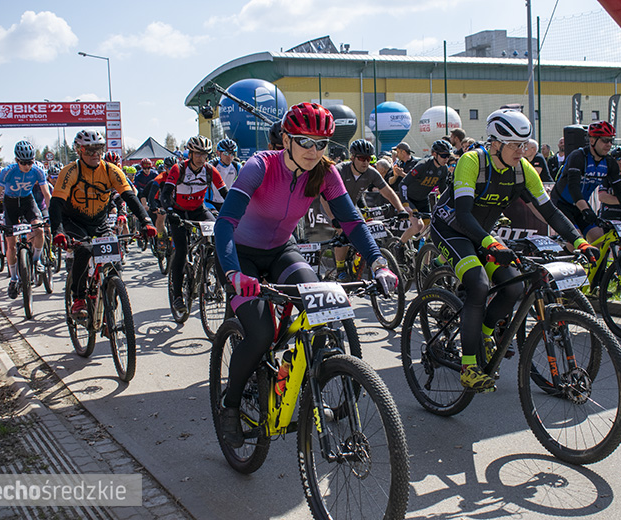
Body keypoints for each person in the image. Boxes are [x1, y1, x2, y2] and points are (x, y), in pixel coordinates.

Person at [214, 102, 398, 447]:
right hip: (241, 256)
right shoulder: (259, 166)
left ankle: (306, 382)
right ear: (286, 140)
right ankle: (231, 403)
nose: (314, 151)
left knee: (321, 313)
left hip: (282, 250)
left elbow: (352, 220)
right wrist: (234, 273)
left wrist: (377, 262)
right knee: (260, 332)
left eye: (321, 143)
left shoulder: (325, 173)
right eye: (304, 141)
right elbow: (225, 223)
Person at [431, 109, 598, 391]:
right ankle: (469, 366)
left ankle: (485, 332)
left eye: (524, 145)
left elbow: (551, 212)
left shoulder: (522, 169)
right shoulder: (472, 162)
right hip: (451, 229)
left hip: (482, 234)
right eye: (514, 145)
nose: (521, 151)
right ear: (495, 143)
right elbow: (462, 215)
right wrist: (491, 243)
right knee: (478, 284)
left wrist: (579, 240)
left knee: (512, 288)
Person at [50, 130, 156, 319]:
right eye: (89, 150)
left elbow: (130, 197)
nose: (94, 155)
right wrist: (57, 231)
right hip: (73, 220)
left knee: (114, 259)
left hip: (98, 221)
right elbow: (56, 203)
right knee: (84, 249)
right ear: (79, 150)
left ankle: (110, 302)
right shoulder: (71, 171)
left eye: (98, 150)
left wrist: (146, 221)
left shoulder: (110, 170)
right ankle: (79, 298)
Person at [321, 138, 409, 281]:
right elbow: (324, 198)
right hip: (331, 207)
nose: (365, 162)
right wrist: (333, 218)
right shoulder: (340, 171)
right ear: (352, 157)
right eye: (362, 158)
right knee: (343, 231)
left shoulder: (371, 173)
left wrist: (400, 209)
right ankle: (340, 268)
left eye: (369, 158)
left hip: (351, 206)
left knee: (362, 230)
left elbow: (387, 192)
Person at [160, 135, 229, 315]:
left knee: (217, 237)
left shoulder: (210, 170)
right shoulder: (178, 169)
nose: (201, 158)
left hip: (199, 210)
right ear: (190, 153)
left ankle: (209, 265)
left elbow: (225, 194)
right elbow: (165, 194)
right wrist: (169, 210)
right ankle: (177, 296)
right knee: (181, 251)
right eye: (197, 154)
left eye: (204, 154)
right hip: (179, 212)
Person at [551, 121, 621, 243]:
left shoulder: (609, 162)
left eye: (611, 141)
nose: (609, 144)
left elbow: (620, 191)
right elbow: (574, 187)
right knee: (576, 241)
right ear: (592, 140)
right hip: (561, 204)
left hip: (581, 205)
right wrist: (586, 210)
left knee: (599, 238)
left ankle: (593, 262)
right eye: (605, 140)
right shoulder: (578, 156)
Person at [0, 141, 52, 299]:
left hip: (27, 201)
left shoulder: (38, 170)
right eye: (23, 163)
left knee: (39, 228)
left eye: (30, 162)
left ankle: (36, 261)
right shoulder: (7, 171)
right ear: (17, 161)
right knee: (11, 244)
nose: (27, 166)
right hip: (10, 204)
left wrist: (52, 215)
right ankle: (14, 278)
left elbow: (47, 195)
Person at [393, 140, 451, 259]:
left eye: (448, 156)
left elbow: (443, 190)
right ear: (434, 154)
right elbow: (403, 184)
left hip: (423, 200)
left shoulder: (443, 169)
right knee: (417, 226)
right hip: (409, 199)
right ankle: (399, 245)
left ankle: (424, 265)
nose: (446, 159)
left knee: (428, 233)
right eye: (443, 155)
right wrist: (405, 204)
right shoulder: (423, 165)